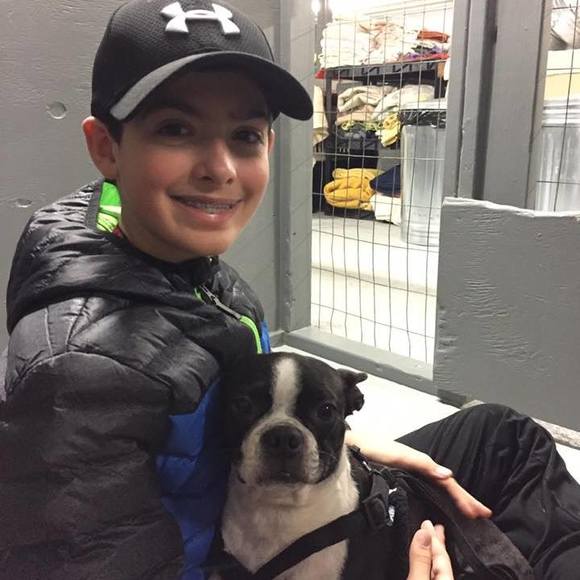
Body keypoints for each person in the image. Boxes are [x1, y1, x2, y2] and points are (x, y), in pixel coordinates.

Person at [0, 1, 578, 579]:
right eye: (176, 129)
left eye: (245, 135)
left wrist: (343, 442)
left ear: (270, 148)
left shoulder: (166, 256)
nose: (220, 167)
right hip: (245, 552)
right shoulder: (76, 375)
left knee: (501, 435)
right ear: (107, 147)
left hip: (266, 495)